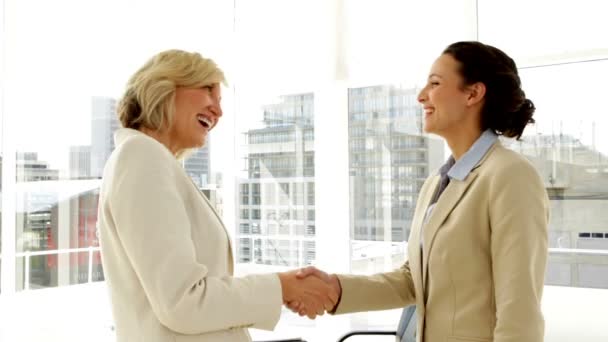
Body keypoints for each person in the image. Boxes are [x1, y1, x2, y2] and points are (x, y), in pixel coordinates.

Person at [293, 41, 550, 342]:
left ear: (473, 93)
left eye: (435, 83)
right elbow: (412, 281)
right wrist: (335, 289)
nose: (421, 96)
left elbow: (519, 311)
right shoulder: (437, 183)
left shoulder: (510, 175)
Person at [97, 49, 338, 342]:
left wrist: (280, 290)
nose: (219, 111)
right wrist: (282, 287)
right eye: (208, 91)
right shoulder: (142, 157)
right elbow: (184, 302)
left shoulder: (150, 160)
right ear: (163, 86)